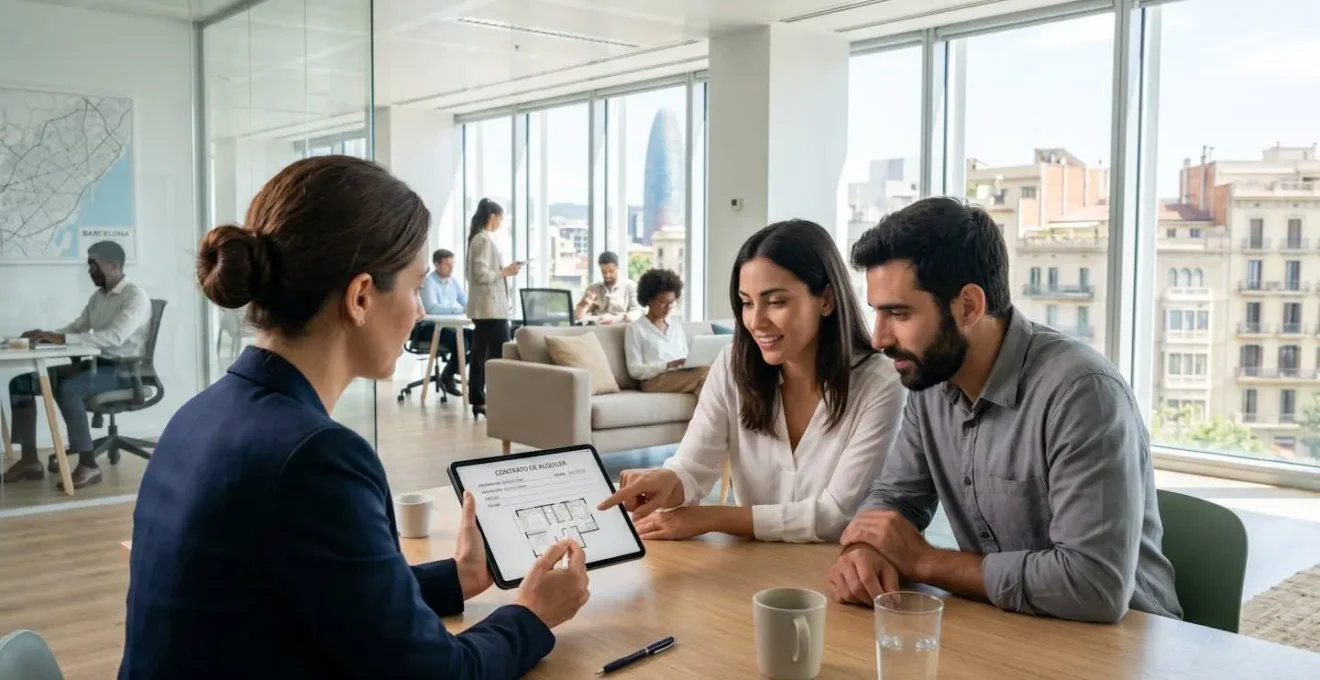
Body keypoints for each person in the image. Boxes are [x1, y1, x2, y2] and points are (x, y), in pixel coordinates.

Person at [119, 157, 589, 680]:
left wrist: (456, 578)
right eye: (414, 288)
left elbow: (317, 593)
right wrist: (530, 615)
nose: (419, 309)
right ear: (360, 296)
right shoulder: (314, 456)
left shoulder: (198, 416)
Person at [828, 197, 1181, 624]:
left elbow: (1093, 587)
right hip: (1010, 623)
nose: (880, 337)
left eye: (898, 313)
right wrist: (866, 546)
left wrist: (924, 562)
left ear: (969, 307)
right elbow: (896, 497)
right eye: (877, 313)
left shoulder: (1081, 393)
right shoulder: (931, 377)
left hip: (1127, 641)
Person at [598, 220, 905, 544]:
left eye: (776, 302)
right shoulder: (733, 365)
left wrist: (713, 517)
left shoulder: (880, 383)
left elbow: (834, 516)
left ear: (826, 299)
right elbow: (693, 467)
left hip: (839, 573)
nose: (756, 322)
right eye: (746, 302)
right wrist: (667, 480)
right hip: (751, 568)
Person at [3, 240, 150, 490]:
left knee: (69, 389)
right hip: (95, 365)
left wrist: (61, 338)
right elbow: (77, 328)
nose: (90, 271)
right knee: (21, 383)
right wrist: (47, 335)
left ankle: (89, 464)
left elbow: (114, 337)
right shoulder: (98, 298)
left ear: (114, 265)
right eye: (89, 265)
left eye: (94, 265)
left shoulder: (134, 297)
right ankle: (29, 460)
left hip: (123, 371)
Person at [465, 198, 520, 418]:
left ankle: (480, 399)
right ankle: (490, 399)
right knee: (497, 355)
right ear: (492, 217)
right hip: (490, 310)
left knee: (481, 354)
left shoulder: (478, 239)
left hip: (487, 309)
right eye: (500, 219)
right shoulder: (483, 241)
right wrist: (505, 272)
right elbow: (480, 275)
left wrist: (503, 271)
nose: (500, 223)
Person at [623, 268, 706, 394]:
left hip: (680, 375)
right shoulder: (635, 329)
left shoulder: (676, 326)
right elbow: (634, 369)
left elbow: (685, 355)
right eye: (663, 302)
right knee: (707, 373)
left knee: (711, 380)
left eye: (671, 302)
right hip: (653, 381)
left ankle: (713, 414)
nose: (668, 307)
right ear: (649, 300)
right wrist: (667, 365)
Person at [420, 248, 472, 396]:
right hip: (430, 329)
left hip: (449, 327)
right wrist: (458, 310)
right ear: (437, 264)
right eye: (447, 265)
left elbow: (465, 302)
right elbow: (432, 307)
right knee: (461, 343)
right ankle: (449, 375)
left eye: (452, 264)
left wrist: (472, 306)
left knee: (476, 338)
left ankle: (448, 372)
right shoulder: (428, 282)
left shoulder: (453, 282)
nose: (451, 268)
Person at [575, 251, 641, 324]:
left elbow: (638, 311)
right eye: (603, 272)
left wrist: (620, 318)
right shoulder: (593, 288)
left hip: (619, 328)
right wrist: (583, 304)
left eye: (611, 271)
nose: (607, 275)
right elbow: (578, 317)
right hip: (596, 328)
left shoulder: (631, 286)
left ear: (618, 268)